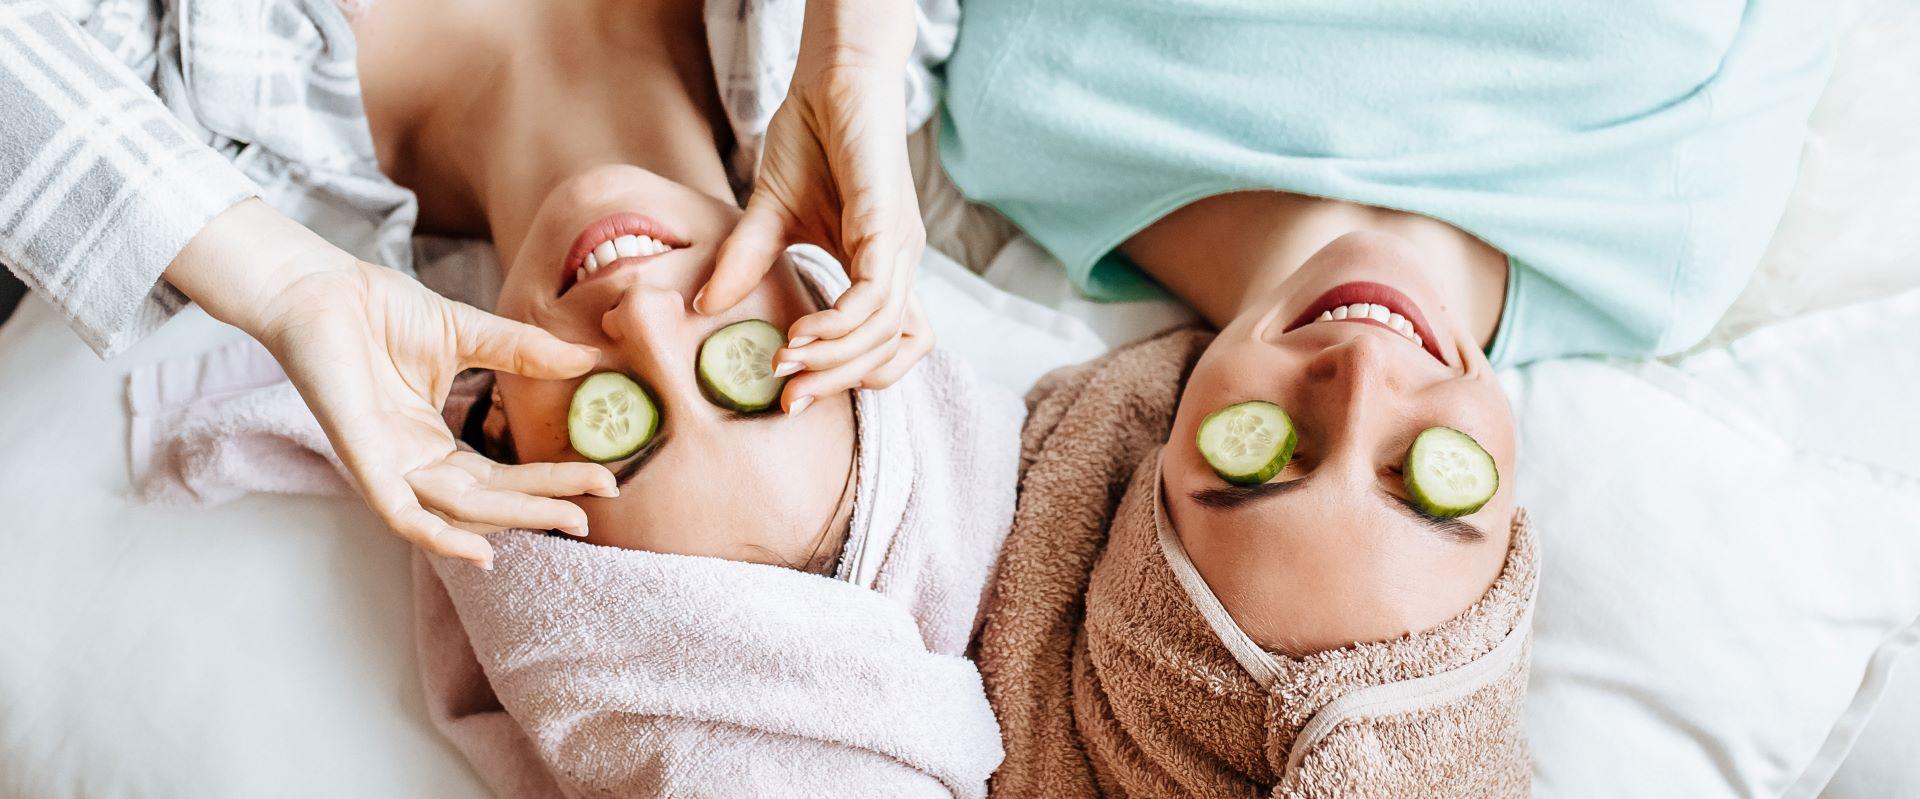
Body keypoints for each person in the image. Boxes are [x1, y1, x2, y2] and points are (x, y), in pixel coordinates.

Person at [925, 0, 1834, 792]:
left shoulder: (1034, 106)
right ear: (1512, 531)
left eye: (1269, 448)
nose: (1362, 376)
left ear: (1152, 449)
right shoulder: (1681, 230)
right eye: (1433, 483)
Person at [0, 0, 931, 570]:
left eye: (618, 419)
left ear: (496, 436)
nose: (643, 318)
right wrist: (851, 52)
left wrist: (281, 282)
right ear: (822, 293)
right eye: (751, 369)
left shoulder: (193, 114)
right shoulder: (863, 50)